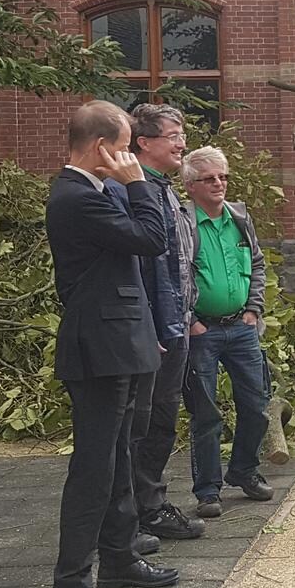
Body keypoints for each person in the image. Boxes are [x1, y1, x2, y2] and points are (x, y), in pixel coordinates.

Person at [45, 101, 182, 588]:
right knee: (94, 467)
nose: (129, 158)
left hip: (122, 338)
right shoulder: (76, 197)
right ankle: (70, 584)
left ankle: (120, 557)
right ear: (102, 146)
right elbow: (151, 239)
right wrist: (140, 185)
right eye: (124, 147)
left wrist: (129, 185)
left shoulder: (100, 191)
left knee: (121, 456)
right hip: (98, 346)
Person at [108, 104, 205, 541]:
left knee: (163, 420)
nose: (182, 142)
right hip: (152, 334)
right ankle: (135, 515)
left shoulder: (166, 191)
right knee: (140, 426)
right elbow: (137, 266)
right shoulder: (130, 192)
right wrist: (151, 327)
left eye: (182, 133)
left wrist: (188, 316)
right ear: (143, 142)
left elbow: (181, 266)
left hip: (177, 328)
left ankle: (150, 504)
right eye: (173, 135)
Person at [179, 146, 271, 520]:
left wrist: (254, 309)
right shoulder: (183, 224)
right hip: (203, 331)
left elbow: (258, 264)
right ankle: (207, 491)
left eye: (223, 177)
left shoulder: (239, 219)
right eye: (209, 178)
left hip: (242, 328)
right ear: (190, 186)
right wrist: (190, 320)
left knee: (257, 406)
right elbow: (175, 275)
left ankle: (244, 471)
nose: (219, 184)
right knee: (206, 413)